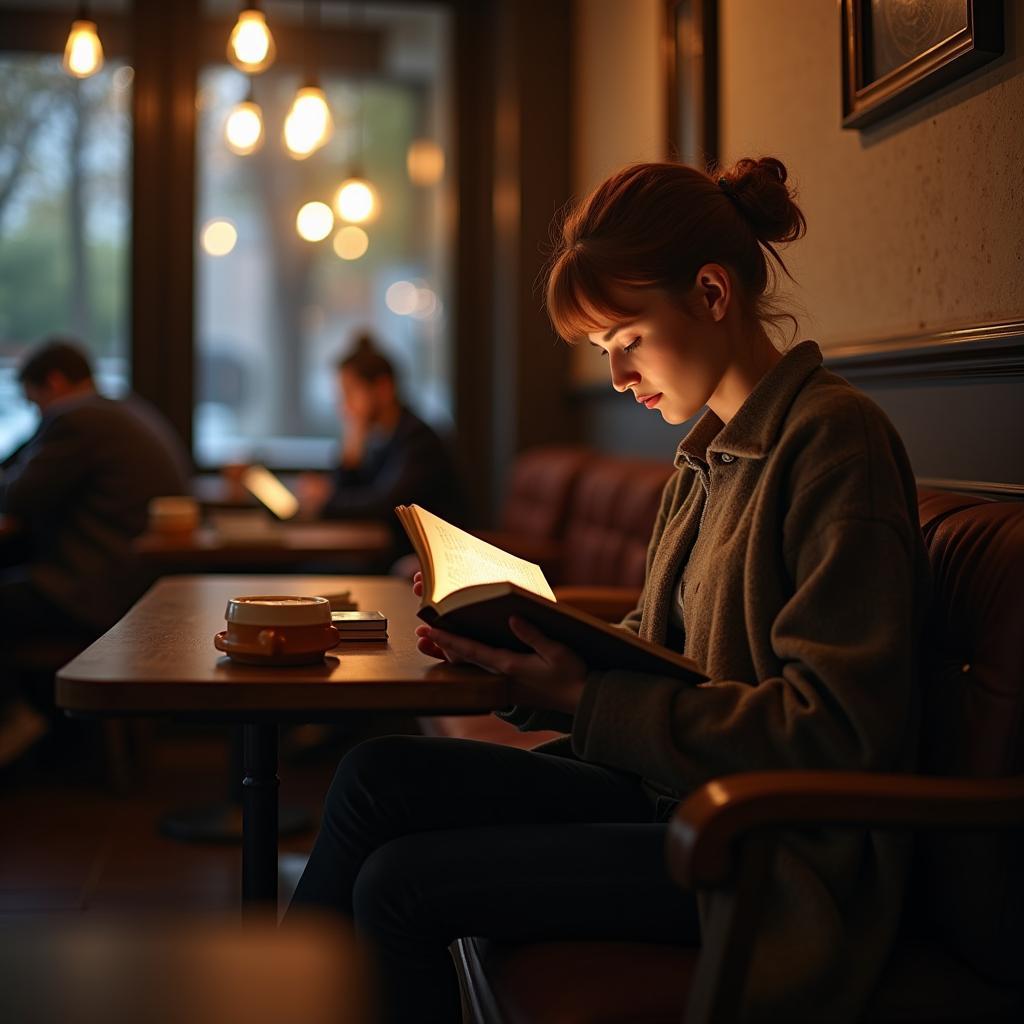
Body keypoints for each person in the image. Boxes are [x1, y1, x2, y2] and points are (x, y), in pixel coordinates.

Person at [288, 159, 931, 1022]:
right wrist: (520, 658)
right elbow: (658, 652)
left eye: (626, 339)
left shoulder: (834, 443)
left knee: (400, 885)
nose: (620, 377)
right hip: (666, 791)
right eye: (603, 354)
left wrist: (587, 698)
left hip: (758, 848)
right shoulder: (706, 458)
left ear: (711, 294)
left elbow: (837, 732)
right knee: (374, 777)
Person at [0, 338, 190, 752]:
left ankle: (14, 718)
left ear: (53, 381)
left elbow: (17, 495)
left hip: (96, 589)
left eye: (35, 403)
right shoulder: (119, 408)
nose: (37, 414)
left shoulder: (77, 418)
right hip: (136, 582)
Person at [298, 332, 463, 564]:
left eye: (350, 394)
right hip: (388, 553)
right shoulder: (380, 436)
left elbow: (386, 505)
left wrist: (326, 501)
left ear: (383, 388)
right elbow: (354, 491)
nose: (344, 407)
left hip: (423, 560)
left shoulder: (417, 438)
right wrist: (349, 457)